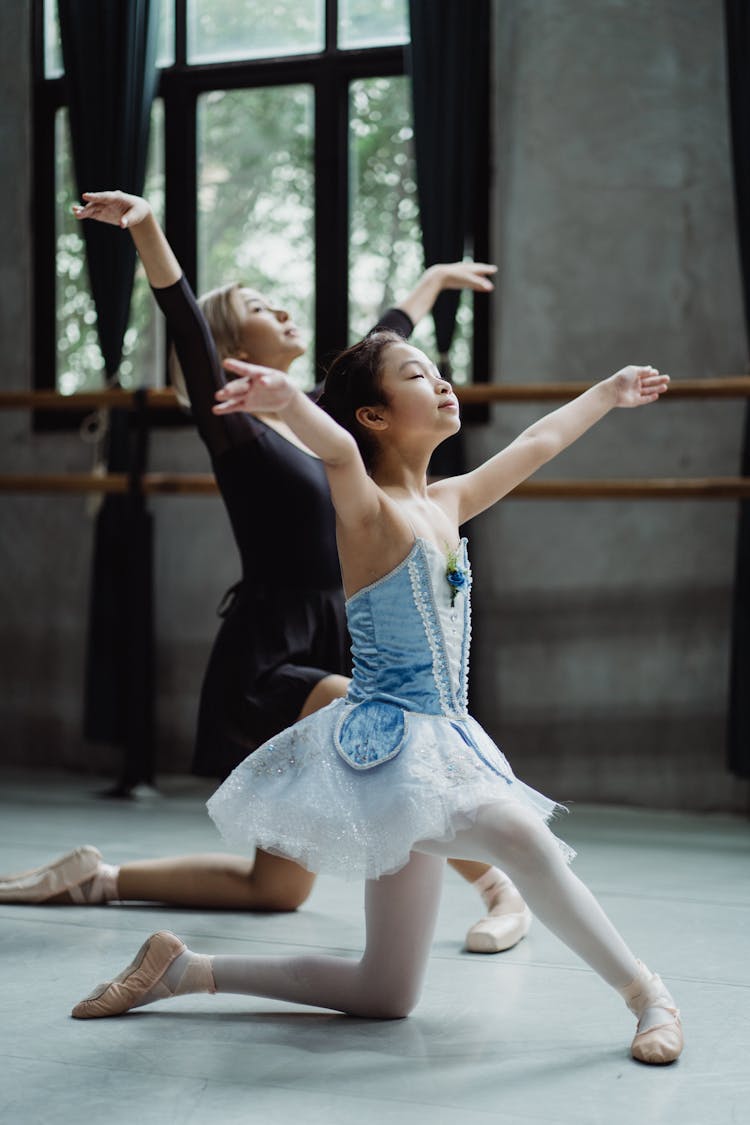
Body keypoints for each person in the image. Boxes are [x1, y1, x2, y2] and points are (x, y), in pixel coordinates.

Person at [68, 329, 682, 1066]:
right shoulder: (368, 510)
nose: (445, 383)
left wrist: (608, 393)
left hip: (438, 747)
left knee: (384, 991)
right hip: (393, 755)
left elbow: (540, 439)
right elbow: (333, 451)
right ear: (376, 417)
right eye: (419, 375)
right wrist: (288, 400)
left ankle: (185, 970)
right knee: (523, 836)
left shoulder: (448, 501)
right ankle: (649, 993)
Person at [0, 190, 530, 954]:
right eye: (257, 304)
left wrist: (433, 282)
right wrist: (149, 226)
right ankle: (500, 887)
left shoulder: (322, 420)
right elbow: (182, 320)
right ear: (228, 341)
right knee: (400, 728)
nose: (281, 311)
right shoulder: (237, 428)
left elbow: (381, 345)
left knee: (275, 890)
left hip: (344, 633)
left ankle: (95, 876)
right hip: (274, 652)